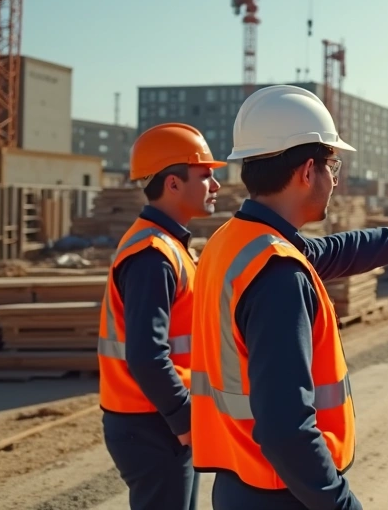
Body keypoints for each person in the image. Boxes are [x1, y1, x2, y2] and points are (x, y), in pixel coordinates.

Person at [189, 85, 388, 510]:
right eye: (333, 164)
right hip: (283, 493)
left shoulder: (234, 243)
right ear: (307, 172)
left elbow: (340, 250)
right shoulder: (277, 273)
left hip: (239, 482)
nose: (336, 178)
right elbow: (286, 428)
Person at [97, 123, 226, 510]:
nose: (216, 185)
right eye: (206, 175)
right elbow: (147, 355)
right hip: (153, 423)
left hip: (158, 419)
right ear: (173, 183)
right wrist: (185, 420)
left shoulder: (169, 246)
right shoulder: (153, 255)